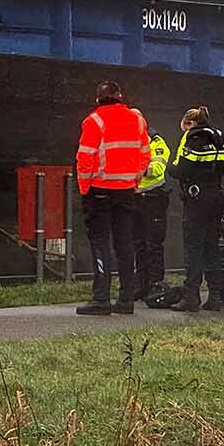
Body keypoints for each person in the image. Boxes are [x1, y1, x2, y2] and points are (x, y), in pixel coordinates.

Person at [74, 81, 152, 315]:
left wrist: (84, 188)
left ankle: (101, 299)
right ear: (120, 96)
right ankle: (126, 299)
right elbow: (145, 155)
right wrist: (135, 181)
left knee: (100, 244)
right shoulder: (136, 120)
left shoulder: (93, 121)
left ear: (98, 99)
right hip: (127, 191)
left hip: (99, 190)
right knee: (125, 243)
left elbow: (85, 159)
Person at [170, 106, 224, 313]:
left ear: (190, 124)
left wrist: (166, 166)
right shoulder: (219, 141)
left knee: (193, 248)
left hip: (197, 199)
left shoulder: (194, 140)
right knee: (212, 247)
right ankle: (215, 296)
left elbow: (181, 171)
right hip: (216, 196)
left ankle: (191, 297)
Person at [135, 129, 171, 301]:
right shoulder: (131, 142)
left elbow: (156, 169)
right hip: (134, 197)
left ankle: (155, 285)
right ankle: (140, 285)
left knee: (153, 244)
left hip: (153, 198)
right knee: (138, 244)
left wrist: (133, 168)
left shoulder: (157, 144)